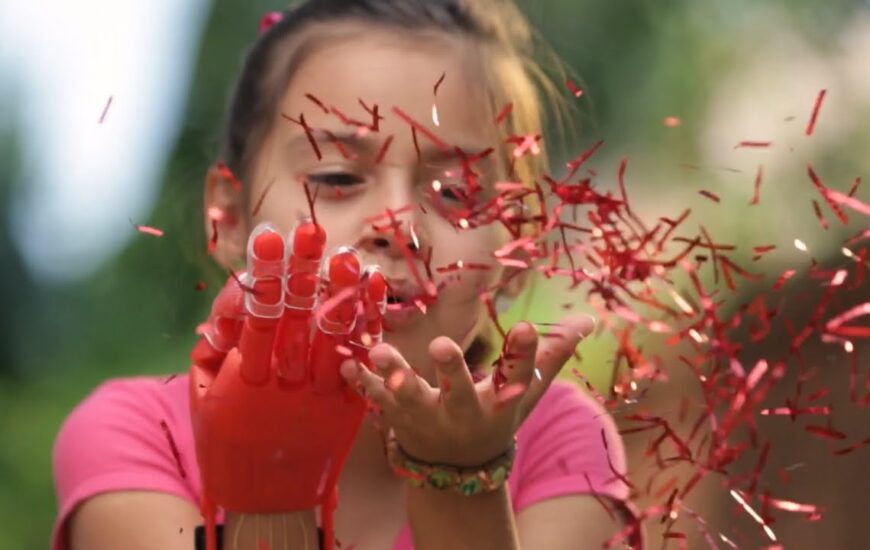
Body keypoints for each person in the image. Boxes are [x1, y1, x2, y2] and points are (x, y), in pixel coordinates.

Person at [51, 1, 639, 548]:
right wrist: (270, 496)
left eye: (455, 192)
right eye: (336, 178)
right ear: (228, 218)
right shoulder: (136, 435)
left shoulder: (561, 440)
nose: (399, 224)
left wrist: (457, 476)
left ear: (517, 247)